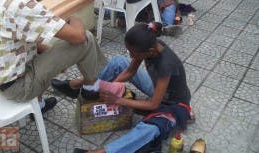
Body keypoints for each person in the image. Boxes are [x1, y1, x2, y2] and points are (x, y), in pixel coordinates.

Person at [66, 22, 192, 153]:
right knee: (119, 61)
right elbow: (130, 71)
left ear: (150, 51)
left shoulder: (166, 64)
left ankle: (103, 151)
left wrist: (117, 100)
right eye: (130, 51)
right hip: (158, 88)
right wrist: (111, 87)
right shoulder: (150, 44)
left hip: (174, 103)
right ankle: (90, 86)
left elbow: (153, 105)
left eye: (134, 54)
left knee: (150, 129)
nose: (132, 56)